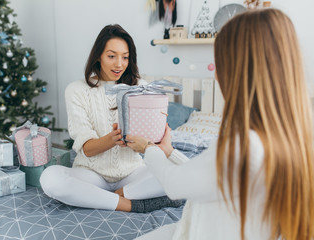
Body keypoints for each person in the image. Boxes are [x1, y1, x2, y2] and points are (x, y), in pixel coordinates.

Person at [126, 9, 314, 240]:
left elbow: (175, 185)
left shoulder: (243, 146)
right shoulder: (290, 136)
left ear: (237, 70)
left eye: (219, 64)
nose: (216, 75)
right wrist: (170, 152)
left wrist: (149, 148)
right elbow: (215, 177)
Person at [40, 24, 183, 212]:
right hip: (90, 174)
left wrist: (156, 138)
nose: (119, 64)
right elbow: (87, 150)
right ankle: (128, 204)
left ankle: (115, 195)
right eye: (111, 56)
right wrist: (112, 139)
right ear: (98, 55)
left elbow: (153, 142)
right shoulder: (77, 90)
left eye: (125, 57)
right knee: (49, 177)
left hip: (133, 172)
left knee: (180, 174)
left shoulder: (140, 87)